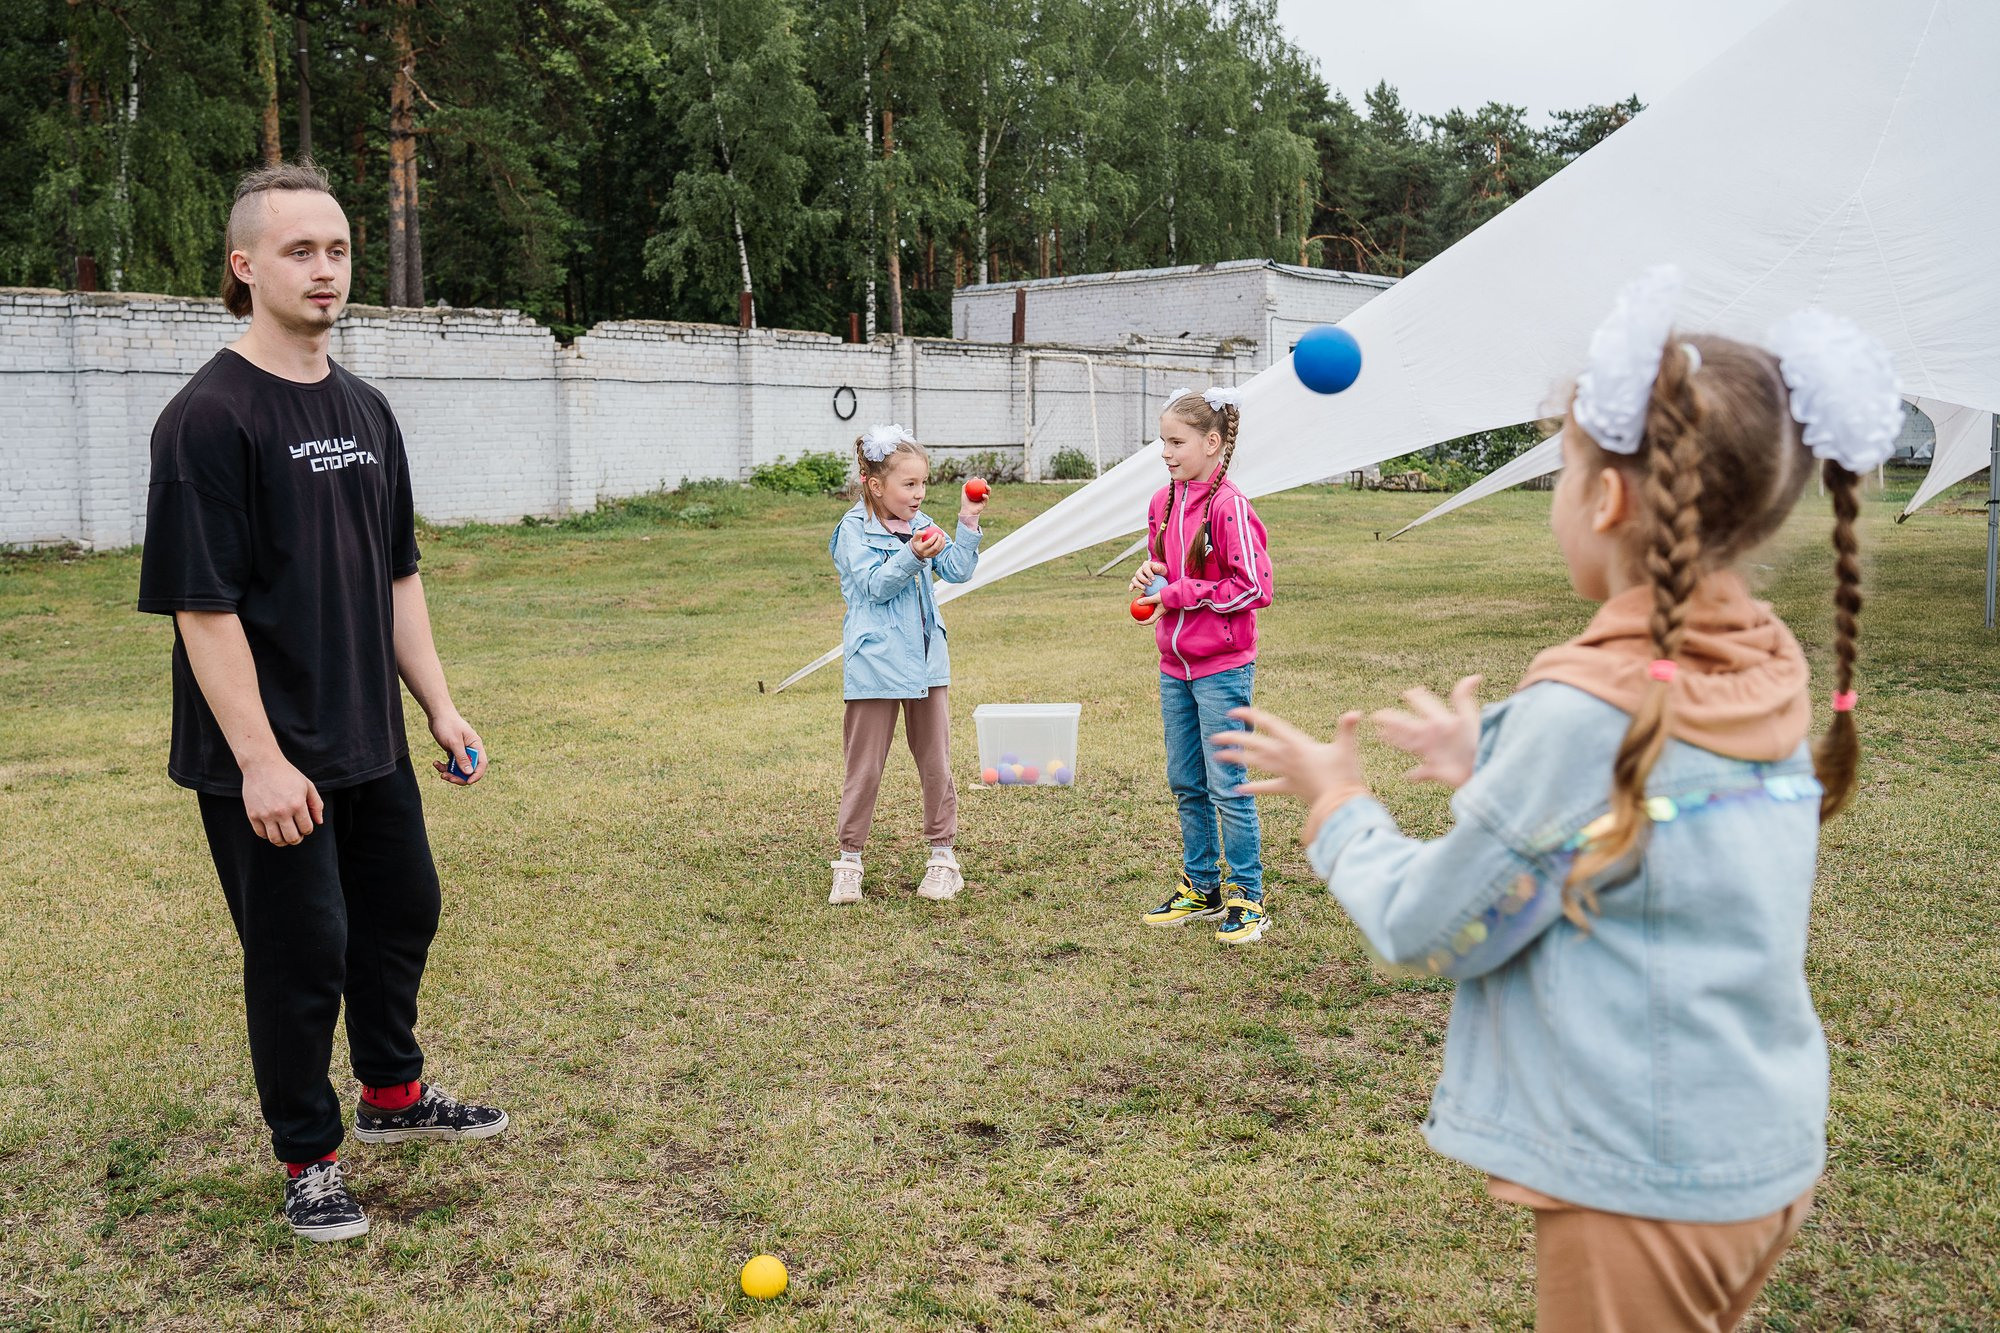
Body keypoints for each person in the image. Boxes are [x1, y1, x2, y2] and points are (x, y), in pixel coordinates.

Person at [1213, 267, 1905, 1330]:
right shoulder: (1766, 665)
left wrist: (1339, 802)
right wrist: (1491, 766)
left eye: (1561, 469)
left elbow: (1428, 926)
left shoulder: (1587, 714)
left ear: (1607, 499)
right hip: (1759, 1155)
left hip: (1639, 1183)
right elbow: (1641, 819)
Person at [136, 159, 507, 1243]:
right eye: (299, 249)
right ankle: (308, 1157)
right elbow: (202, 609)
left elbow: (397, 575)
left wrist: (437, 706)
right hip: (266, 755)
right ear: (245, 265)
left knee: (401, 912)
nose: (325, 268)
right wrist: (259, 761)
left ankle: (393, 1093)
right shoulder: (206, 418)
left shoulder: (366, 408)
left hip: (367, 735)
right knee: (300, 956)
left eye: (338, 248)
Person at [1130, 386, 1274, 944]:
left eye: (1176, 442)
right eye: (1162, 442)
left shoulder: (1229, 506)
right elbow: (1166, 569)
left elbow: (1255, 587)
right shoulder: (1161, 503)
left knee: (1227, 785)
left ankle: (1248, 899)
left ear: (1212, 443)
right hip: (1175, 667)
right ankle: (1201, 887)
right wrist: (1151, 577)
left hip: (1222, 670)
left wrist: (1181, 593)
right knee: (1186, 781)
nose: (1165, 452)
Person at [827, 425, 984, 905]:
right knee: (864, 768)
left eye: (923, 484)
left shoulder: (923, 523)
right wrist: (913, 556)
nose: (919, 494)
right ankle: (848, 862)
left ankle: (943, 858)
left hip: (926, 664)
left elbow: (957, 569)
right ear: (876, 486)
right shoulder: (852, 531)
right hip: (873, 665)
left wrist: (968, 520)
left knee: (935, 763)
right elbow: (873, 586)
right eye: (909, 484)